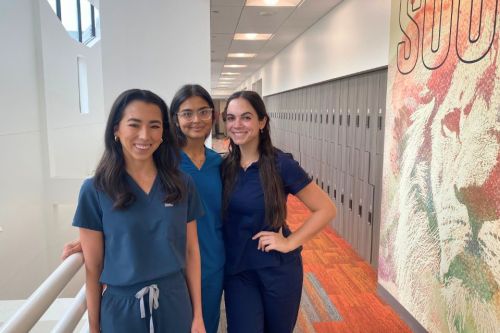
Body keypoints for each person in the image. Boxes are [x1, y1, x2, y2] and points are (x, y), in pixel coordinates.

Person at [63, 85, 224, 333]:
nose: (145, 135)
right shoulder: (95, 189)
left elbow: (192, 252)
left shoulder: (181, 183)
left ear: (164, 133)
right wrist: (94, 328)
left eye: (154, 126)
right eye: (134, 124)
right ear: (116, 128)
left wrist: (198, 316)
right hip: (121, 309)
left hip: (175, 302)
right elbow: (93, 269)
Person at [221, 90, 336, 333]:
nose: (237, 124)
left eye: (246, 117)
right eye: (230, 118)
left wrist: (289, 242)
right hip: (238, 271)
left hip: (277, 270)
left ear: (262, 122)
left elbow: (325, 208)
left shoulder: (280, 164)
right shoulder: (224, 167)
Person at [169, 84, 225, 333]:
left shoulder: (219, 163)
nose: (196, 120)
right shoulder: (165, 163)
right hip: (173, 266)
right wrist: (95, 236)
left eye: (203, 112)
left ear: (213, 115)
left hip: (212, 263)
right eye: (187, 113)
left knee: (207, 324)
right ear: (176, 119)